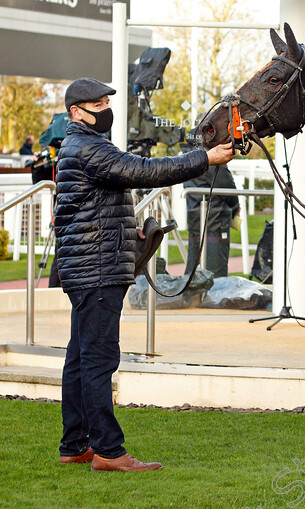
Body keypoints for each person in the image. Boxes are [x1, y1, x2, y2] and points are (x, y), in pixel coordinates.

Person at [54, 77, 235, 472]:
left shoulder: (81, 145)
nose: (106, 109)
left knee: (80, 357)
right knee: (99, 358)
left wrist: (127, 232)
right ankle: (108, 451)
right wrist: (205, 158)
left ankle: (74, 445)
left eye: (106, 102)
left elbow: (88, 208)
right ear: (76, 112)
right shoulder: (87, 146)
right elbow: (144, 170)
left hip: (89, 267)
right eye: (98, 104)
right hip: (96, 271)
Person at [182, 142, 241, 277]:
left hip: (196, 217)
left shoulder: (189, 154)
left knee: (194, 267)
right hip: (215, 219)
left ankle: (193, 297)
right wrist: (235, 208)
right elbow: (226, 186)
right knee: (216, 270)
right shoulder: (212, 155)